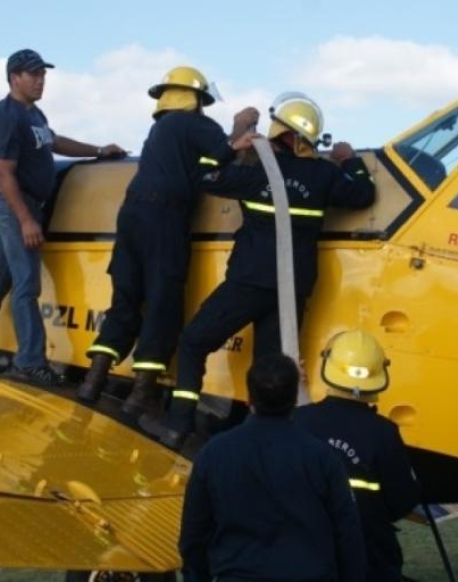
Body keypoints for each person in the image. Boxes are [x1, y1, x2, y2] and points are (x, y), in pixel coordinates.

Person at [138, 91, 376, 448]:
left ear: (278, 132)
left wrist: (233, 146)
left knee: (193, 342)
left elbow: (204, 175)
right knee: (271, 371)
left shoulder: (256, 171)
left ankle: (177, 426)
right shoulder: (324, 175)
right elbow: (363, 195)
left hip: (248, 281)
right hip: (292, 289)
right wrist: (350, 159)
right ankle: (258, 445)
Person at [75, 66, 259, 412]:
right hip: (166, 217)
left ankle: (92, 380)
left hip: (131, 215)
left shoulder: (159, 130)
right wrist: (242, 125)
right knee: (163, 300)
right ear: (197, 99)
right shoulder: (197, 125)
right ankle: (141, 394)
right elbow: (223, 155)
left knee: (126, 299)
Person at [0, 49, 126, 387]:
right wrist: (27, 220)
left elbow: (54, 142)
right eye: (33, 74)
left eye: (43, 74)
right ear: (14, 77)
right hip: (14, 205)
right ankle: (30, 361)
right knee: (26, 285)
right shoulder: (6, 115)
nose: (41, 80)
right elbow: (3, 173)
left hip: (16, 207)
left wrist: (99, 150)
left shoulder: (35, 115)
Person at [179, 353, 366, 582]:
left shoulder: (213, 453)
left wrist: (197, 576)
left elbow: (194, 534)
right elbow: (348, 536)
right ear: (295, 397)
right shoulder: (323, 458)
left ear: (249, 398)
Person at [292, 329, 420, 582]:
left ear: (327, 366)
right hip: (370, 560)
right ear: (381, 372)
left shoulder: (298, 421)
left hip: (306, 558)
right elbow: (403, 500)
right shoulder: (383, 432)